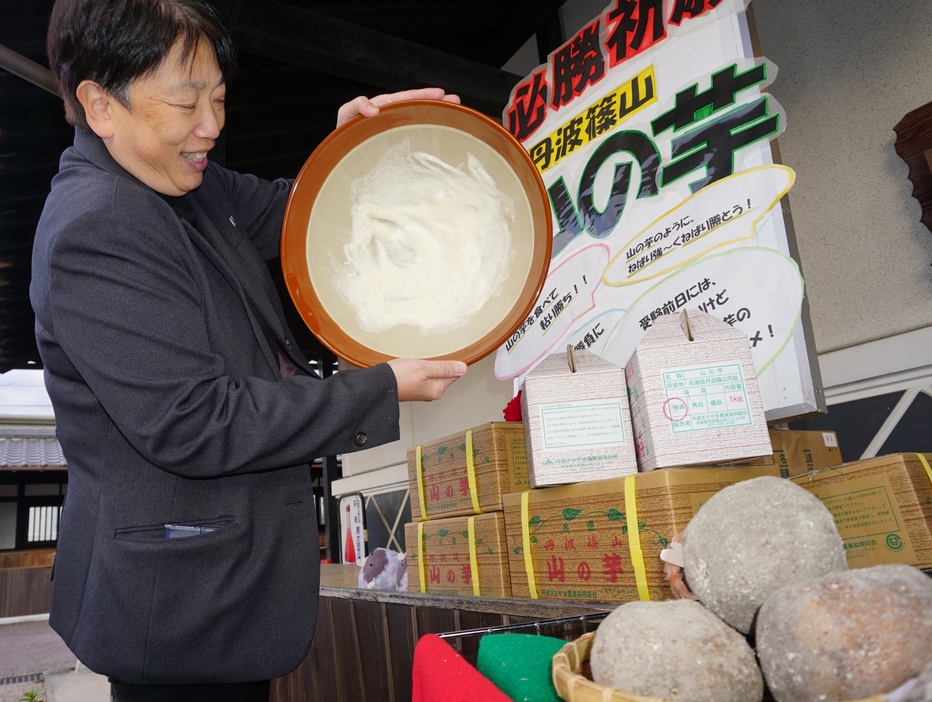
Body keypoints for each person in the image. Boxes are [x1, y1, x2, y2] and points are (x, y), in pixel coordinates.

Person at [32, 1, 465, 699]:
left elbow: (302, 212)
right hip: (176, 609)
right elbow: (196, 419)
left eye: (220, 97)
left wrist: (355, 152)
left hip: (216, 589)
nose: (211, 125)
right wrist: (380, 387)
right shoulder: (96, 228)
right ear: (100, 105)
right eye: (185, 101)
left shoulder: (187, 185)